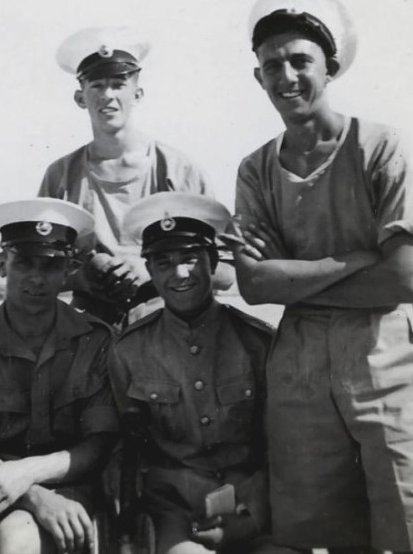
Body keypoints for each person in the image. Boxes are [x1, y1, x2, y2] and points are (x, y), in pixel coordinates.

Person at [230, 0, 413, 553]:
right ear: (258, 77)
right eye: (272, 65)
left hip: (389, 373)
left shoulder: (384, 149)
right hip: (302, 386)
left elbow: (408, 279)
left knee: (409, 536)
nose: (286, 76)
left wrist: (294, 280)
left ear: (331, 67)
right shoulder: (255, 171)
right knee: (322, 540)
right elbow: (253, 283)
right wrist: (358, 261)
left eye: (301, 60)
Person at [109, 192, 285, 554]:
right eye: (163, 262)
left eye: (190, 258)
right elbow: (127, 452)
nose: (179, 273)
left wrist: (253, 513)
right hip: (176, 514)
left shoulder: (258, 343)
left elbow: (282, 446)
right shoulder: (130, 350)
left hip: (253, 509)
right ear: (151, 271)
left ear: (211, 261)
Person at [0, 199, 118, 554]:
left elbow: (98, 446)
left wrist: (27, 472)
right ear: (1, 264)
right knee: (14, 539)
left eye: (51, 265)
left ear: (68, 270)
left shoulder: (95, 340)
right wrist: (36, 497)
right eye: (24, 263)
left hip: (78, 499)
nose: (37, 278)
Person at [39, 27, 232, 326]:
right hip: (88, 330)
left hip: (171, 326)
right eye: (97, 85)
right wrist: (83, 277)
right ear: (80, 97)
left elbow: (226, 273)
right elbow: (39, 270)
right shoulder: (61, 177)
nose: (108, 96)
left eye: (118, 84)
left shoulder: (180, 171)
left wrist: (153, 269)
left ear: (137, 93)